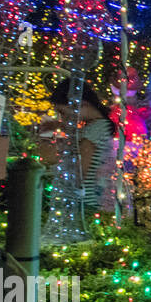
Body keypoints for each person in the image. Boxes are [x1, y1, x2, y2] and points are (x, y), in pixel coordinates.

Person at [46, 78, 117, 212]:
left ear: (82, 105)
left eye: (63, 113)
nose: (64, 118)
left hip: (86, 204)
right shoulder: (98, 126)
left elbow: (79, 170)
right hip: (93, 203)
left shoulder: (96, 129)